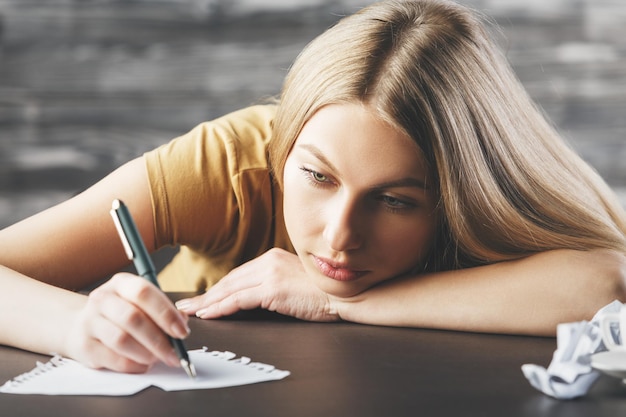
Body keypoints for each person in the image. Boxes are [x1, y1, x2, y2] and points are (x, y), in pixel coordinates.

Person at [1, 0, 625, 375]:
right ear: (283, 148)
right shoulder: (232, 161)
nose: (338, 235)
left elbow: (605, 287)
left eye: (395, 200)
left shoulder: (486, 192)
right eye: (318, 177)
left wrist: (337, 301)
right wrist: (77, 325)